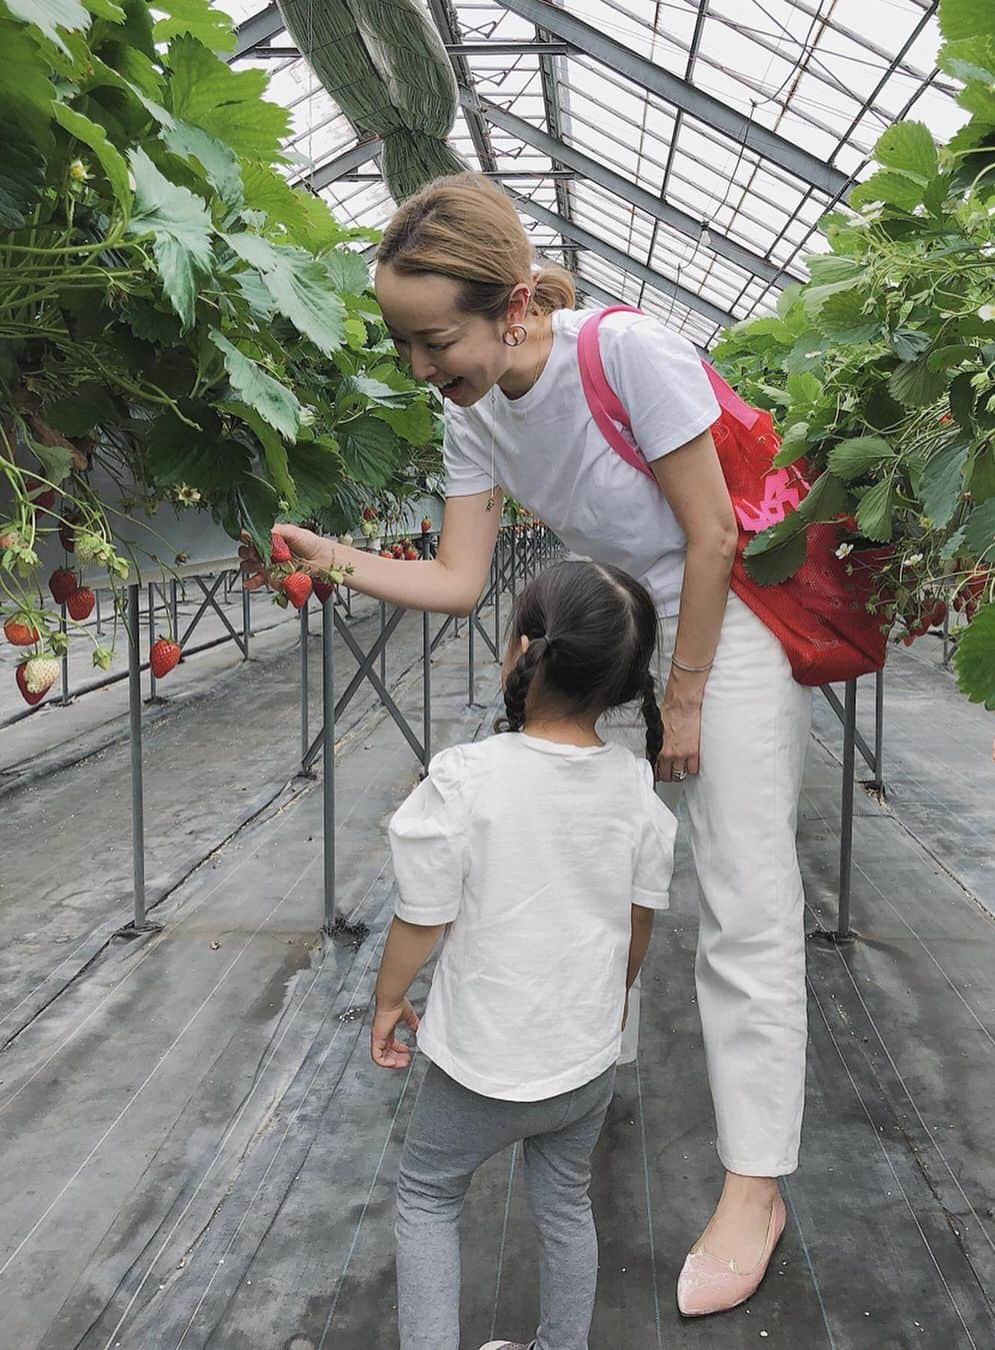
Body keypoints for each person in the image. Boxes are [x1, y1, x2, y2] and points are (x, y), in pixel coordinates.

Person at [239, 170, 811, 1316]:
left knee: (747, 897)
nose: (419, 369)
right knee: (604, 853)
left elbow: (709, 538)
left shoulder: (627, 351)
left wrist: (685, 697)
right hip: (621, 626)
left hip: (718, 625)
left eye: (433, 338)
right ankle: (597, 1061)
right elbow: (457, 580)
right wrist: (328, 556)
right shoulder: (472, 413)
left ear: (509, 307)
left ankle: (758, 1186)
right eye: (404, 343)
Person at [372, 560, 677, 1350]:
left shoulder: (470, 778)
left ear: (521, 647)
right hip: (581, 1065)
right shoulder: (634, 790)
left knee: (430, 1194)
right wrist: (609, 1004)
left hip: (482, 1065)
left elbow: (421, 916)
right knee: (565, 1204)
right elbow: (636, 927)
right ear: (621, 685)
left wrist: (386, 1001)